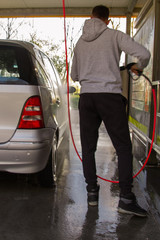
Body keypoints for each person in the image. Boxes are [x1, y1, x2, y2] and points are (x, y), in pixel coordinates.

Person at [71, 5, 150, 217]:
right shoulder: (114, 35)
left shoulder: (80, 42)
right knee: (123, 148)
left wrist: (90, 72)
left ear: (91, 18)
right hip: (110, 97)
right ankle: (125, 199)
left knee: (88, 148)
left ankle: (92, 194)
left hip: (87, 98)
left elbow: (74, 75)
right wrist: (138, 66)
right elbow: (144, 53)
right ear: (108, 20)